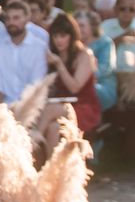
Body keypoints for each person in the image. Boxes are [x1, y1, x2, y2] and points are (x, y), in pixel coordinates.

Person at [39, 12, 99, 150]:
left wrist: (59, 65)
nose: (58, 40)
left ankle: (34, 140)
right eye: (55, 36)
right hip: (60, 103)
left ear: (72, 36)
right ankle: (52, 162)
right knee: (54, 127)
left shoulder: (84, 55)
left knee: (50, 109)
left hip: (83, 106)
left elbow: (75, 87)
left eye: (63, 36)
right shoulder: (54, 55)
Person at [0, 0, 49, 107]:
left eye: (16, 18)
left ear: (27, 18)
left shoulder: (39, 47)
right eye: (8, 18)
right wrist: (1, 111)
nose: (11, 22)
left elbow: (36, 83)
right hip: (4, 107)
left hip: (30, 107)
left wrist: (22, 111)